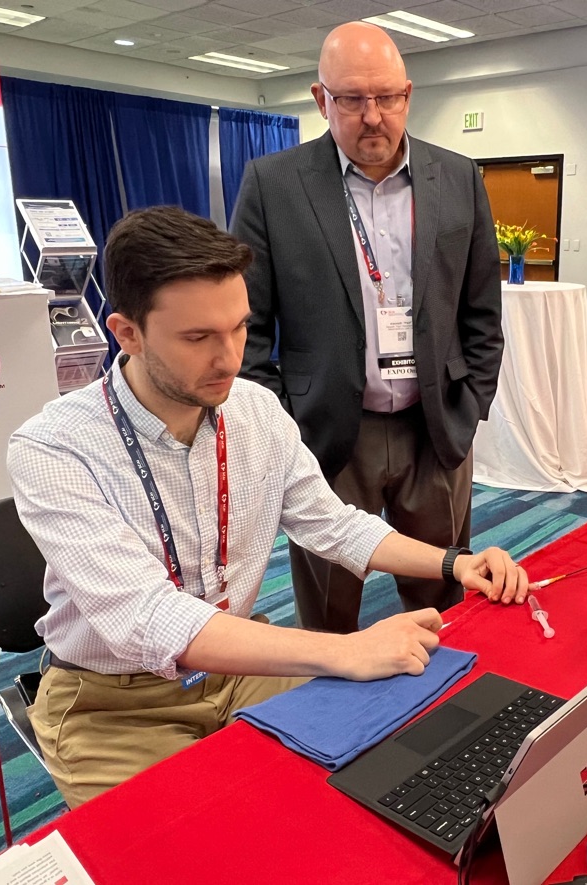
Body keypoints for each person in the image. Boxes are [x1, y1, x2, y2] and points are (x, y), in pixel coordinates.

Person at [8, 207, 528, 809]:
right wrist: (343, 649)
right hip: (113, 704)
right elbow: (147, 617)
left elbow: (330, 524)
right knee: (186, 851)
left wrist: (452, 564)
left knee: (372, 780)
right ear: (127, 333)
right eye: (198, 338)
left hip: (242, 663)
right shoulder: (53, 446)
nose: (230, 357)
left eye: (238, 329)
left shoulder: (254, 409)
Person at [231, 22, 503, 634]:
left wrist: (472, 400)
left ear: (408, 94)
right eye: (352, 99)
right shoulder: (274, 185)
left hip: (434, 428)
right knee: (329, 607)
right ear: (320, 98)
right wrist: (284, 424)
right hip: (326, 432)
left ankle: (440, 716)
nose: (372, 116)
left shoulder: (458, 178)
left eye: (387, 97)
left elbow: (482, 307)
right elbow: (245, 325)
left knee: (442, 593)